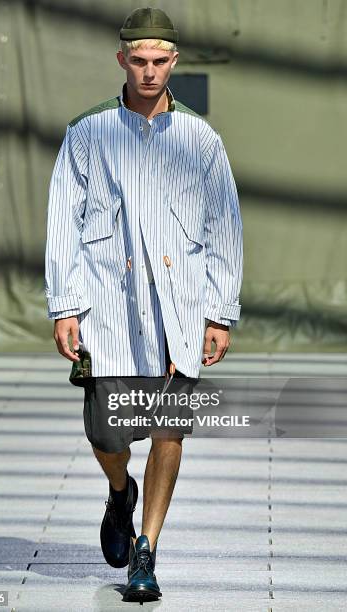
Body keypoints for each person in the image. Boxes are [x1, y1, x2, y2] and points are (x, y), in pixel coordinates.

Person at [44, 7, 243, 604]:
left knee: (168, 430)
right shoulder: (86, 133)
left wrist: (219, 311)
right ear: (121, 60)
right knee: (108, 434)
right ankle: (118, 493)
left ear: (174, 61)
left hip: (179, 310)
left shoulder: (201, 139)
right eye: (139, 61)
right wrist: (65, 305)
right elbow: (62, 224)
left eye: (160, 61)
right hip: (108, 307)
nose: (150, 71)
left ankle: (146, 552)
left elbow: (224, 226)